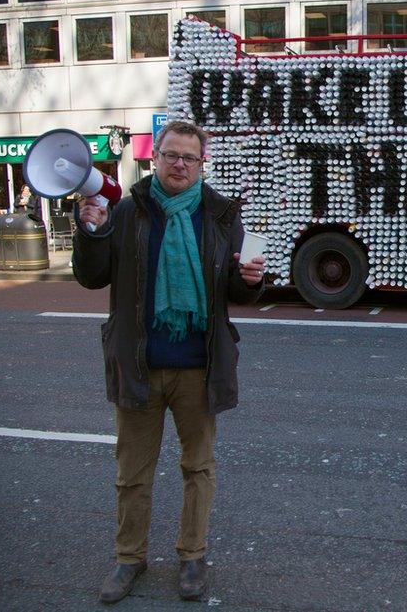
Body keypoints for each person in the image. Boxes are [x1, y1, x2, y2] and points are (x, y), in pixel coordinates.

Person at [73, 120, 267, 604]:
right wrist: (91, 233)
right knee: (132, 472)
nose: (180, 164)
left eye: (190, 158)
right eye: (171, 155)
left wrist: (250, 278)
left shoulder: (221, 215)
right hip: (138, 362)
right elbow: (92, 278)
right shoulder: (126, 212)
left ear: (202, 164)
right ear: (154, 157)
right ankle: (128, 558)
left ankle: (192, 556)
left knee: (198, 467)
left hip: (198, 365)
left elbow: (236, 293)